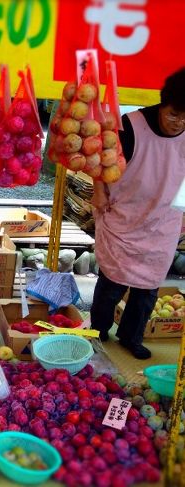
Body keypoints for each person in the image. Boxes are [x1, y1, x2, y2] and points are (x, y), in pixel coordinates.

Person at [90, 67, 185, 359]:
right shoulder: (130, 127)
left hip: (164, 217)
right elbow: (101, 163)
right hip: (125, 212)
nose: (178, 122)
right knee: (112, 283)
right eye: (173, 114)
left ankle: (132, 337)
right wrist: (99, 191)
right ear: (162, 103)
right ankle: (98, 330)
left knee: (148, 289)